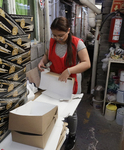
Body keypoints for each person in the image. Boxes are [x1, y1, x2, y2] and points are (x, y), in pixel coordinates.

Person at [38, 16, 91, 150]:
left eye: (61, 35)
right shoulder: (52, 42)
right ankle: (57, 132)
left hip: (70, 83)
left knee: (70, 112)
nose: (57, 38)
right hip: (55, 81)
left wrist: (69, 70)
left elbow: (86, 63)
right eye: (55, 35)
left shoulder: (77, 43)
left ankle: (72, 136)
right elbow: (47, 55)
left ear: (68, 30)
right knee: (54, 106)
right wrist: (42, 62)